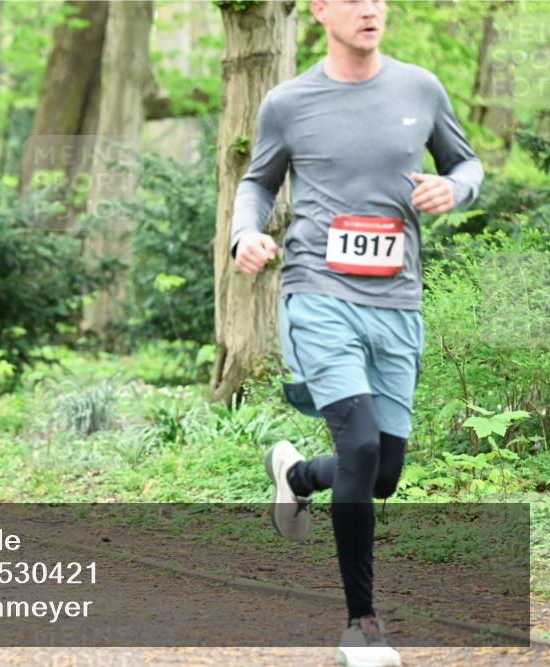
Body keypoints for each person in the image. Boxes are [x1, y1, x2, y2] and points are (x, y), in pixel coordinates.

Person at [230, 1, 483, 665]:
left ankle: (297, 473)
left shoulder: (420, 88)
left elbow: (468, 165)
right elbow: (256, 182)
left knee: (385, 470)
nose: (371, 8)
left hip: (397, 303)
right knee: (363, 441)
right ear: (318, 9)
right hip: (317, 293)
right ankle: (362, 625)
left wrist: (456, 190)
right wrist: (246, 233)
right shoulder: (288, 102)